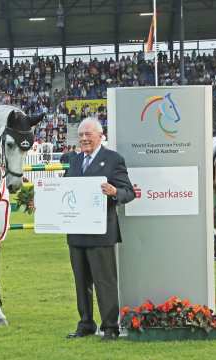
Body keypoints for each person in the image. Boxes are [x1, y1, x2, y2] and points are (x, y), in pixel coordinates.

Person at [65, 118, 135, 341]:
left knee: (104, 282)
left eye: (88, 134)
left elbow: (129, 192)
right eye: (81, 135)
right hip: (76, 232)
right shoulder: (74, 160)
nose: (84, 138)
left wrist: (115, 192)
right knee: (81, 282)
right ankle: (85, 323)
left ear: (100, 135)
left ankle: (110, 327)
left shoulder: (113, 159)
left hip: (101, 232)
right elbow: (66, 189)